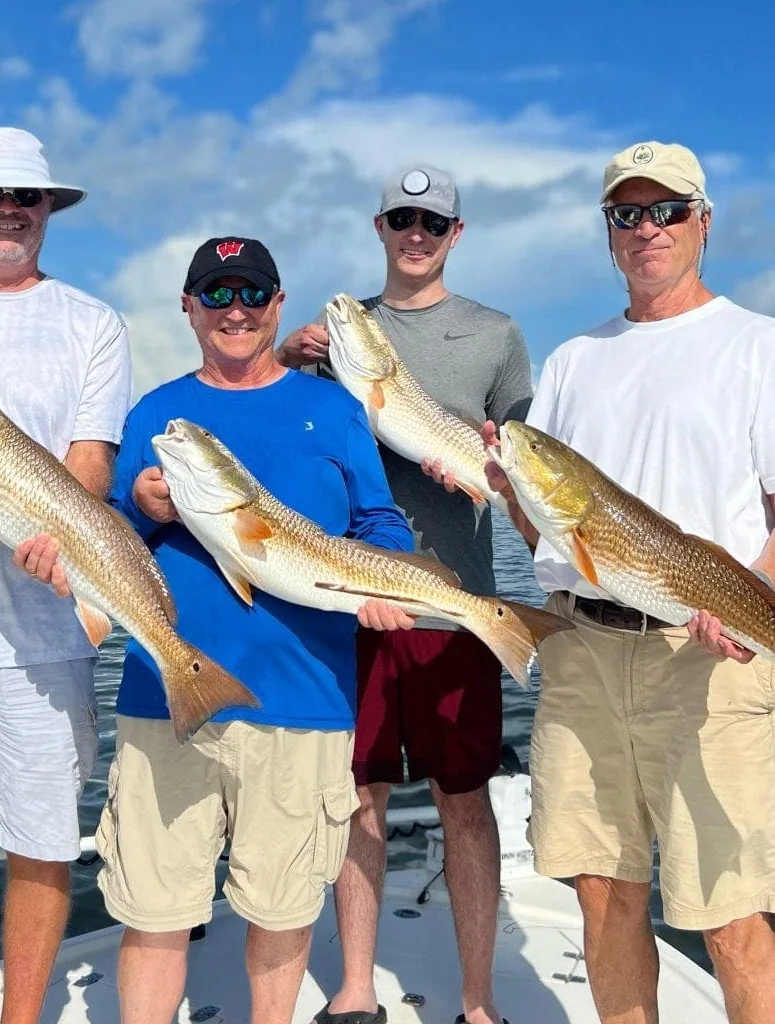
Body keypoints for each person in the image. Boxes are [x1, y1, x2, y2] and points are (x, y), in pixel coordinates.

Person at [482, 141, 775, 1024]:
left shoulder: (756, 345)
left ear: (702, 221)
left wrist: (747, 611)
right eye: (626, 214)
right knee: (600, 895)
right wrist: (512, 490)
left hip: (708, 658)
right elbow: (554, 534)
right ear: (607, 232)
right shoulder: (573, 360)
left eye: (665, 210)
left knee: (727, 914)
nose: (646, 229)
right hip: (580, 652)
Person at [94, 236, 415, 1024]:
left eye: (249, 295)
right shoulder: (154, 414)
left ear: (276, 304)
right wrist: (138, 502)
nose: (233, 311)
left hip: (302, 702)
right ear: (188, 306)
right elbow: (106, 539)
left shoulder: (332, 407)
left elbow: (379, 522)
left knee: (280, 911)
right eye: (215, 295)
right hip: (165, 698)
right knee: (155, 908)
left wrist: (380, 581)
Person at [278, 166, 532, 1024]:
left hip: (462, 603)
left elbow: (525, 466)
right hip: (359, 595)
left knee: (466, 799)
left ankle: (477, 999)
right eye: (400, 218)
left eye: (432, 221)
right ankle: (353, 989)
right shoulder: (331, 340)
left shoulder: (496, 335)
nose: (415, 233)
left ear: (455, 234)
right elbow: (293, 429)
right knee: (360, 795)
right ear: (378, 226)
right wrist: (286, 356)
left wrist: (488, 462)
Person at [0, 126, 132, 1024]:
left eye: (24, 198)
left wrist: (64, 529)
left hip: (44, 629)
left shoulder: (93, 322)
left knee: (41, 844)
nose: (6, 212)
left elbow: (92, 463)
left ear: (48, 211)